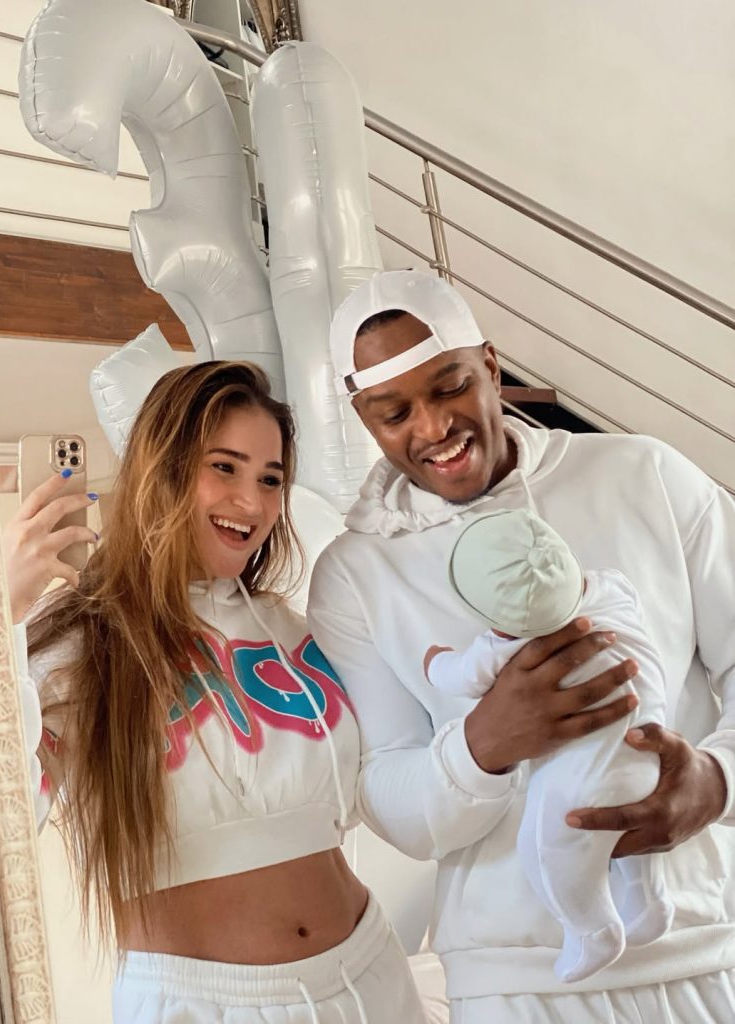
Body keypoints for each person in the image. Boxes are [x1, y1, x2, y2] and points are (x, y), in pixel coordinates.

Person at [307, 269, 735, 1022]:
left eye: (450, 387)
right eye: (393, 412)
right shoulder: (355, 573)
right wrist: (482, 745)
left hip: (705, 947)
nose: (432, 428)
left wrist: (718, 781)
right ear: (363, 420)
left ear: (491, 365)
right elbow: (388, 799)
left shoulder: (647, 475)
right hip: (510, 984)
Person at [6, 361, 427, 1024]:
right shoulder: (79, 646)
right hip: (200, 1004)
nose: (252, 503)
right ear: (164, 470)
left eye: (270, 479)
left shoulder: (294, 630)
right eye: (224, 468)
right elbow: (0, 811)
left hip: (372, 974)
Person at [425, 507, 671, 984]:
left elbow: (461, 677)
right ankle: (650, 901)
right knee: (642, 834)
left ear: (495, 621)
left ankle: (592, 931)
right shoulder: (612, 588)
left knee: (547, 851)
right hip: (653, 750)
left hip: (586, 779)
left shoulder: (505, 646)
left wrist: (435, 661)